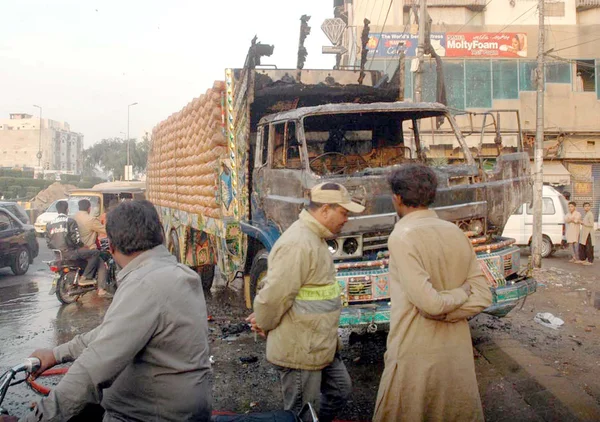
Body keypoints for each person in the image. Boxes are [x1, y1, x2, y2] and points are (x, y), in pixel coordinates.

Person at [21, 200, 212, 422]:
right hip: (178, 408)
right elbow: (109, 334)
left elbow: (94, 367)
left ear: (110, 247)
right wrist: (56, 354)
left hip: (148, 415)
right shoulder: (174, 273)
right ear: (160, 235)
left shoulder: (145, 284)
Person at [373, 163, 492, 422]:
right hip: (455, 353)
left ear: (398, 198)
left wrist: (444, 307)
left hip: (414, 350)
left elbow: (432, 305)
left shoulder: (402, 236)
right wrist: (460, 297)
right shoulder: (456, 233)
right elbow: (482, 295)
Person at [246, 182, 365, 422]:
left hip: (320, 343)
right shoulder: (298, 243)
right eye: (343, 213)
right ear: (324, 210)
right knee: (302, 414)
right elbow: (274, 297)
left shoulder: (315, 238)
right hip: (300, 348)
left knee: (339, 391)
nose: (346, 219)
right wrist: (264, 321)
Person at [46, 200, 100, 286]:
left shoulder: (49, 224)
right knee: (95, 253)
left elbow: (48, 242)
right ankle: (84, 278)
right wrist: (84, 246)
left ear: (57, 210)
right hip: (71, 253)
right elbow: (76, 240)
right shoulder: (70, 221)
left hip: (58, 255)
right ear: (67, 210)